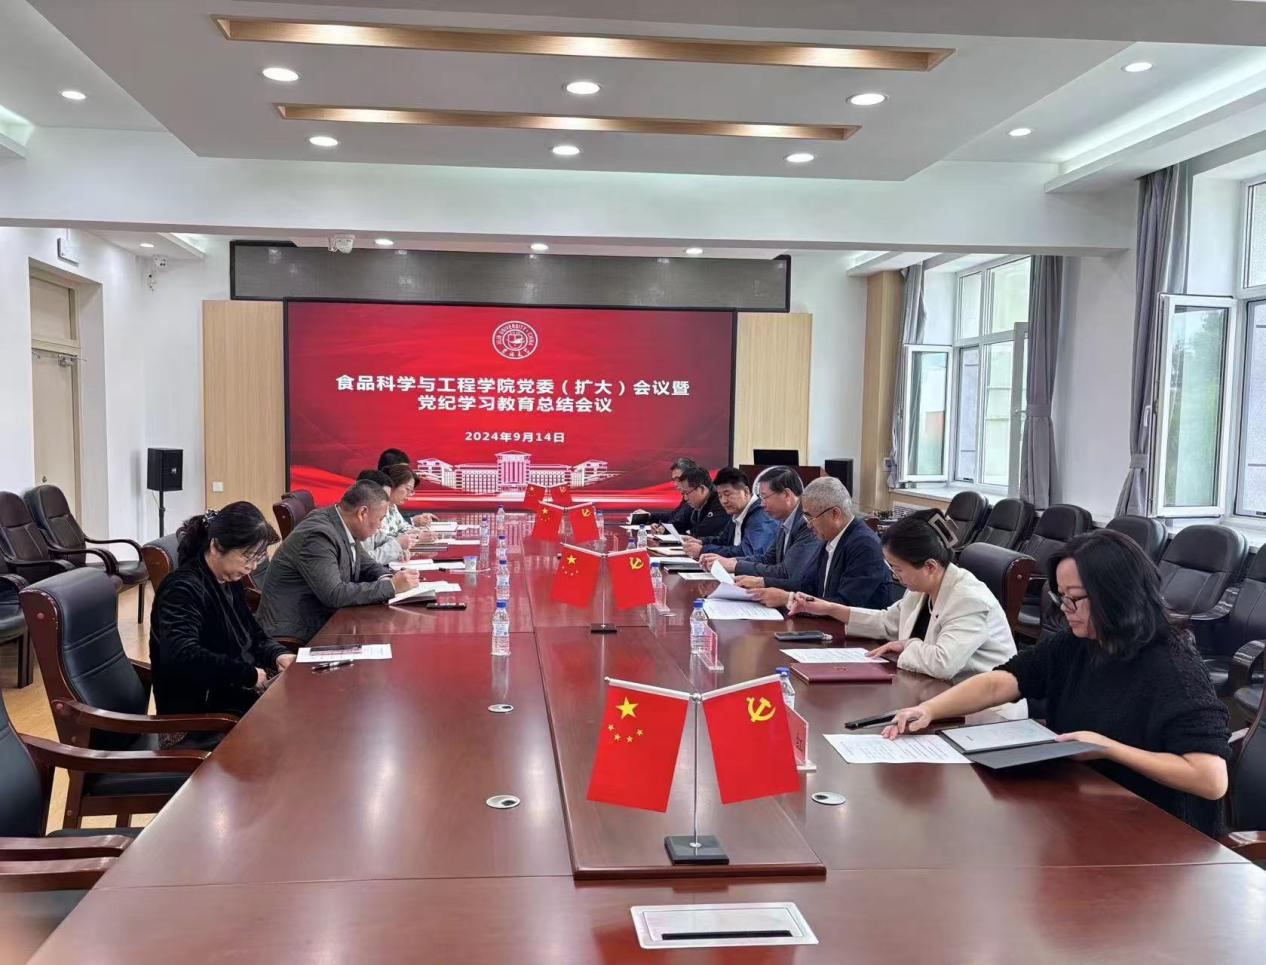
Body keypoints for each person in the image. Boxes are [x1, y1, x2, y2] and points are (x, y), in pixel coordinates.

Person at [883, 529, 1231, 837]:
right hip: (1088, 807)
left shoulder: (1174, 668)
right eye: (1060, 596)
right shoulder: (1081, 642)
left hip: (1159, 830)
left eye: (1074, 598)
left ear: (1116, 594)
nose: (1065, 608)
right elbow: (1001, 682)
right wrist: (929, 709)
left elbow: (1210, 779)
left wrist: (1109, 749)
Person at [789, 510, 1015, 681]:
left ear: (929, 566)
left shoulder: (968, 599)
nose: (894, 576)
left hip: (984, 710)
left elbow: (942, 663)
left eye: (898, 569)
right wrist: (829, 609)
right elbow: (888, 621)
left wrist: (908, 644)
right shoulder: (923, 587)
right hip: (932, 688)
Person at [149, 502, 295, 719]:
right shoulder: (181, 589)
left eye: (257, 558)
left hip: (233, 696)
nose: (253, 567)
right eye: (248, 557)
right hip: (201, 715)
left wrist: (278, 654)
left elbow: (252, 632)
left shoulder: (228, 578)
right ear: (216, 546)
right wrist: (246, 674)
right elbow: (182, 655)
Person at [256, 480, 420, 644]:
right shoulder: (318, 535)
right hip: (296, 632)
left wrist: (386, 578)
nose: (380, 526)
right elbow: (334, 594)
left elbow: (365, 563)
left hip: (326, 619)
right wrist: (391, 587)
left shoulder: (341, 522)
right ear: (362, 513)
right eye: (380, 519)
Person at [748, 476, 900, 612]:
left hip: (858, 632)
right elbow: (808, 586)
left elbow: (846, 605)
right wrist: (764, 583)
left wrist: (788, 599)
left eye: (810, 518)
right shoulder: (829, 537)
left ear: (835, 514)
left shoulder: (864, 545)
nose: (808, 525)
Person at [702, 466, 819, 592]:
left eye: (765, 497)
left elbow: (787, 572)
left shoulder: (806, 523)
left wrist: (736, 566)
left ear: (786, 494)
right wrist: (731, 561)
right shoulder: (785, 519)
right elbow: (768, 558)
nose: (762, 504)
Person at [682, 467, 777, 560]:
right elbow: (723, 540)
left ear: (746, 491)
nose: (724, 501)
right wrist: (700, 542)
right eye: (720, 496)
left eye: (727, 494)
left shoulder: (760, 516)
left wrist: (703, 550)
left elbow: (747, 553)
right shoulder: (737, 512)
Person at [357, 466, 432, 564]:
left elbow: (382, 537)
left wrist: (400, 546)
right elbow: (362, 563)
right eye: (407, 489)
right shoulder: (361, 520)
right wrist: (398, 544)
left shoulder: (388, 507)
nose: (379, 525)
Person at [676, 466, 730, 541]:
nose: (685, 498)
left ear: (702, 489)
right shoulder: (696, 504)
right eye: (683, 494)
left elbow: (703, 532)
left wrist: (689, 533)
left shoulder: (720, 502)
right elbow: (680, 523)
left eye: (686, 493)